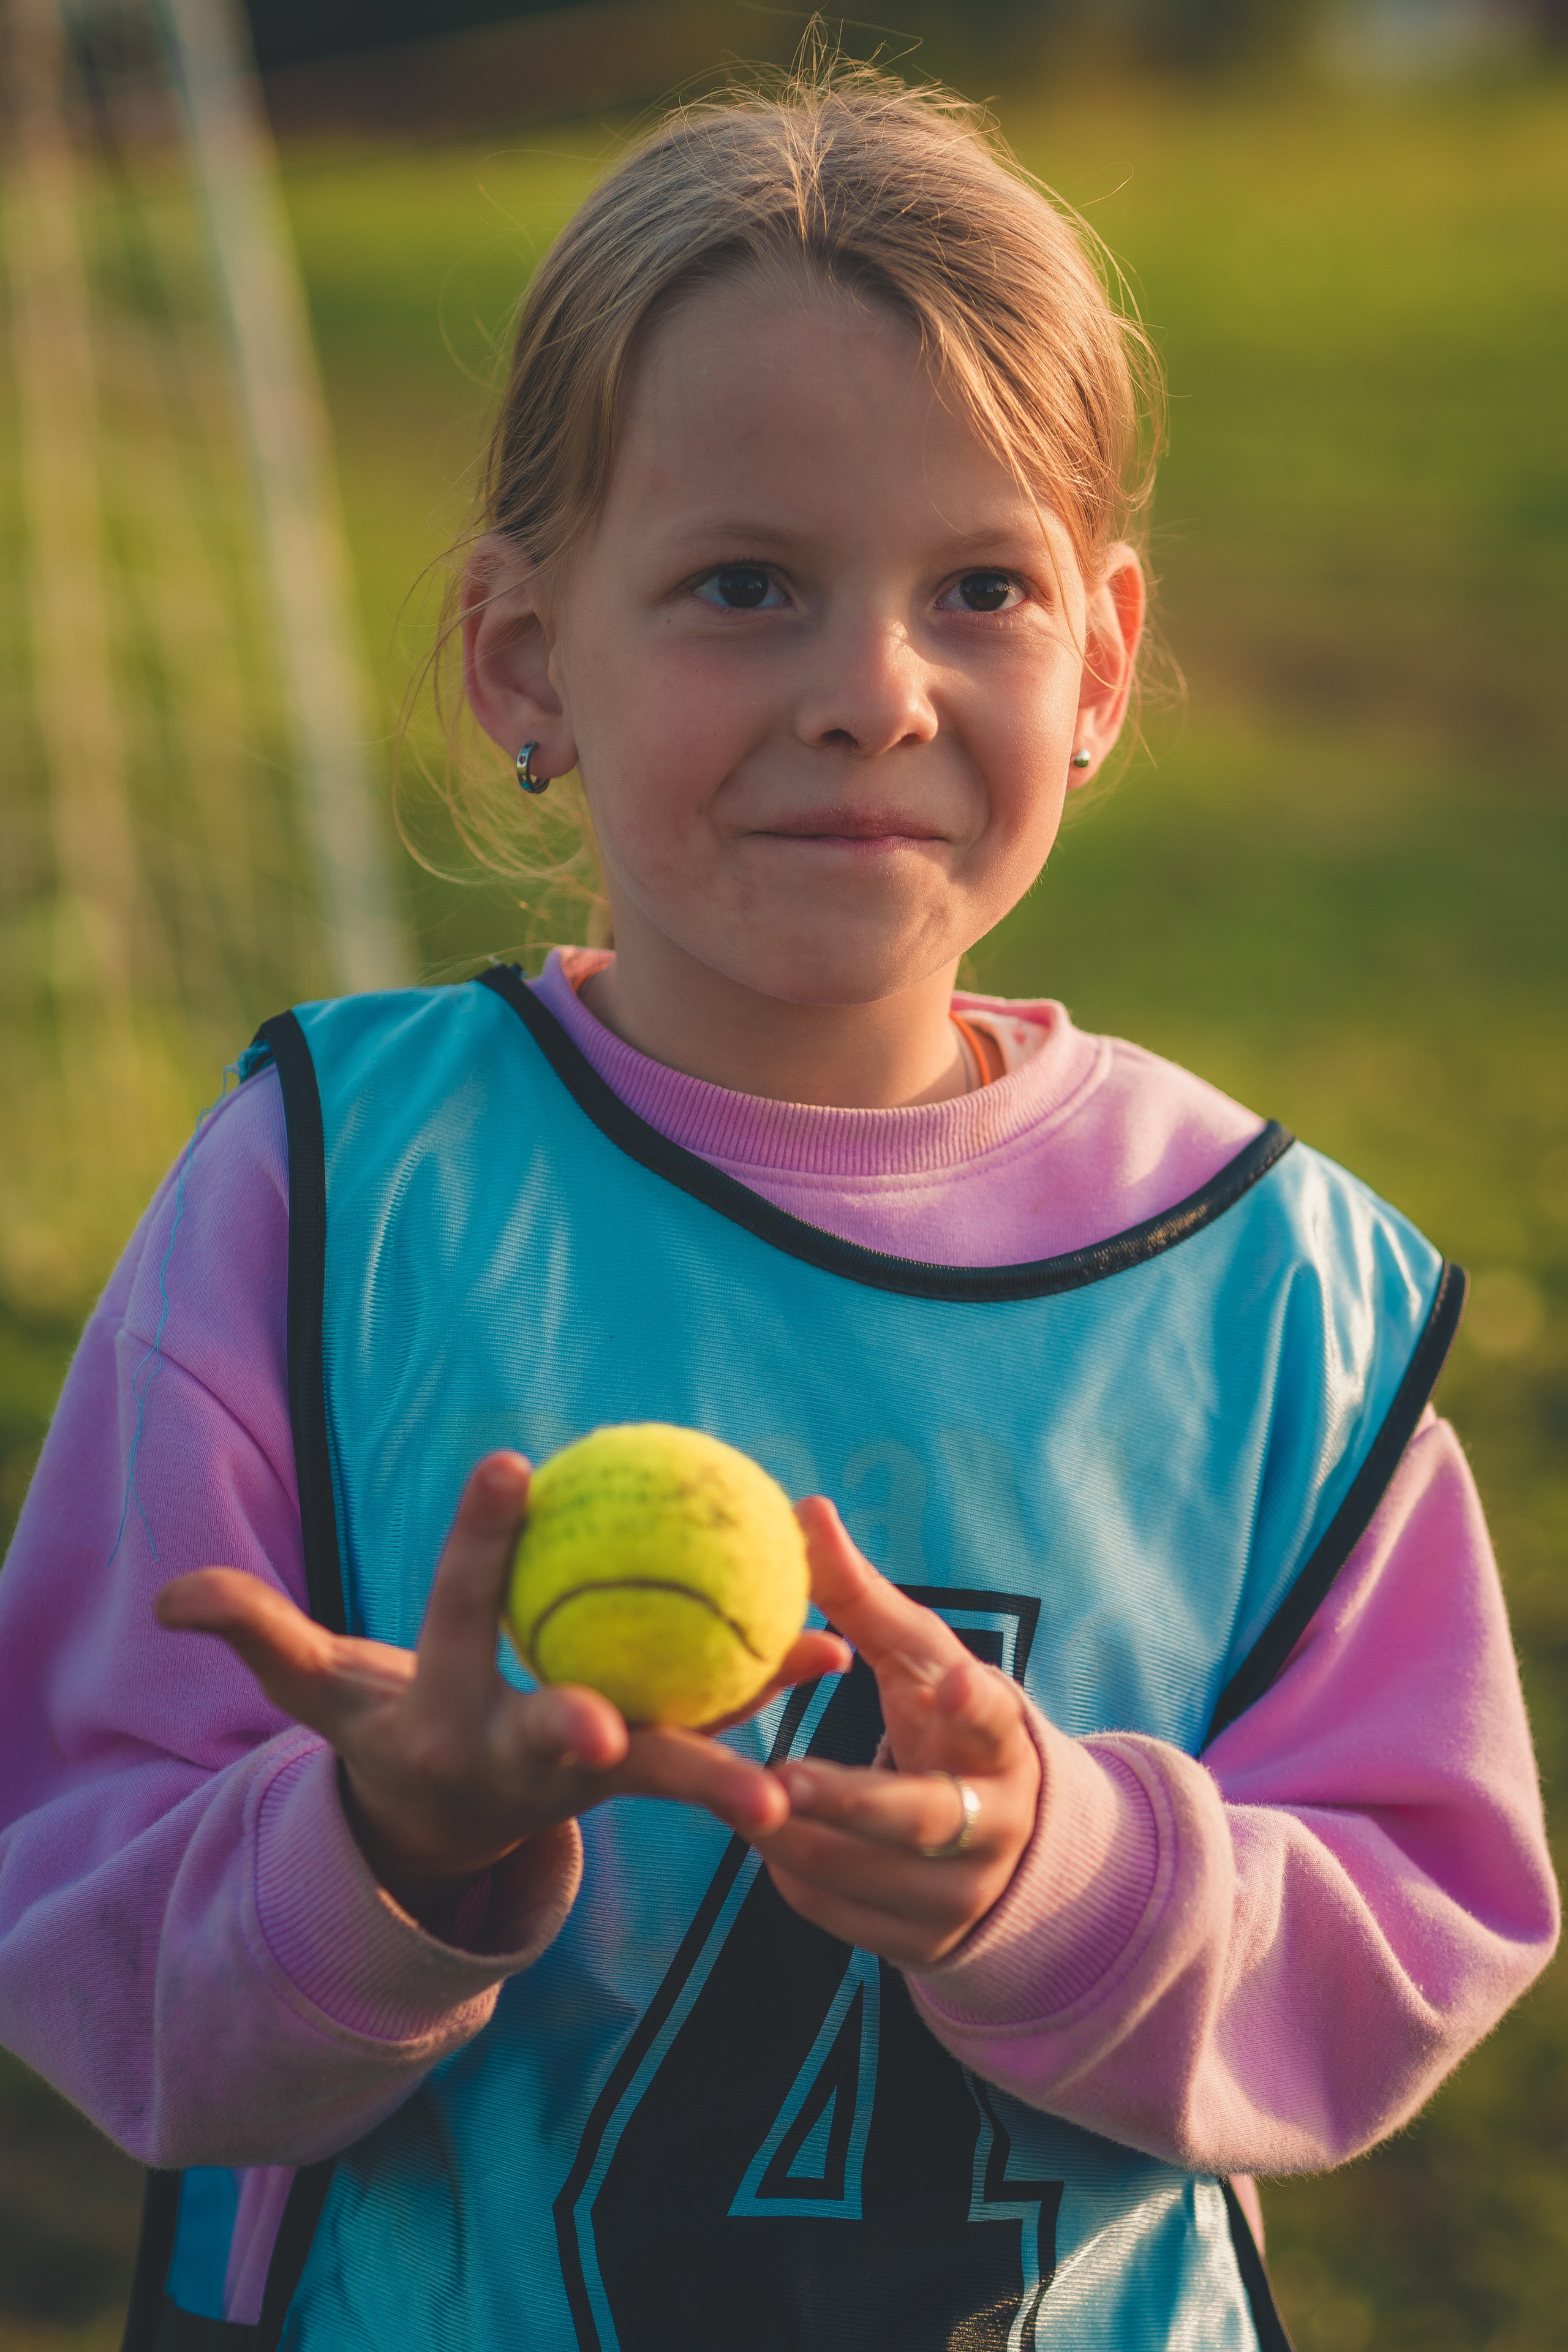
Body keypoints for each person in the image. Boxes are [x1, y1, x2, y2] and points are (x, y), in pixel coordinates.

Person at [0, 69, 1555, 2352]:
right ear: (526, 653)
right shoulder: (329, 1190)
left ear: (1102, 660)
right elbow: (76, 1923)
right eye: (748, 584)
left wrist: (1066, 1875)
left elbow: (1412, 1942)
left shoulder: (1270, 1291)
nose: (870, 694)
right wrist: (388, 1854)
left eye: (982, 591)